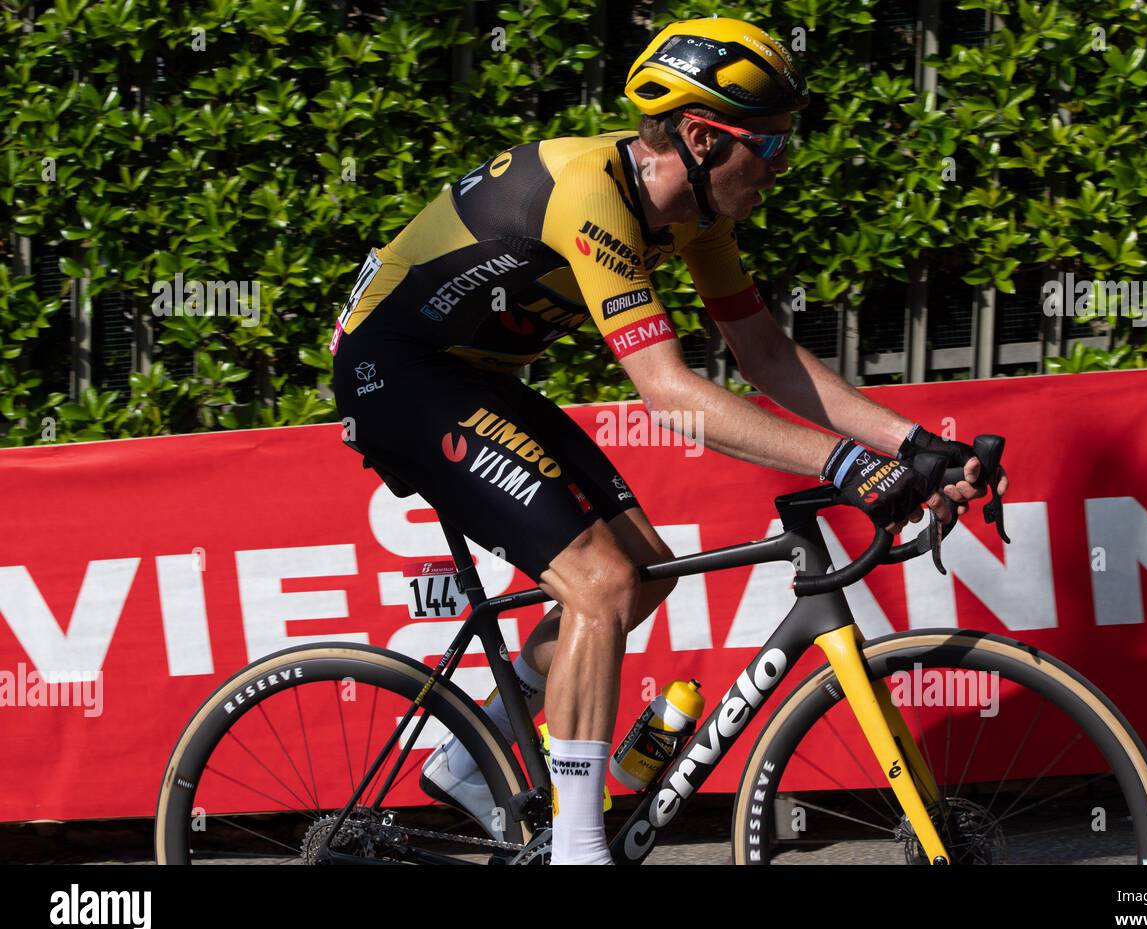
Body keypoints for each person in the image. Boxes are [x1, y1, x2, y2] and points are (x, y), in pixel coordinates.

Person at [330, 17, 1007, 864]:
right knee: (601, 583)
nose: (781, 165)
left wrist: (912, 446)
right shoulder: (594, 191)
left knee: (639, 572)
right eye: (769, 143)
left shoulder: (695, 210)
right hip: (397, 372)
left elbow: (761, 353)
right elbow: (671, 394)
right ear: (700, 137)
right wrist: (845, 466)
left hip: (473, 373)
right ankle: (580, 850)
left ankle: (471, 759)